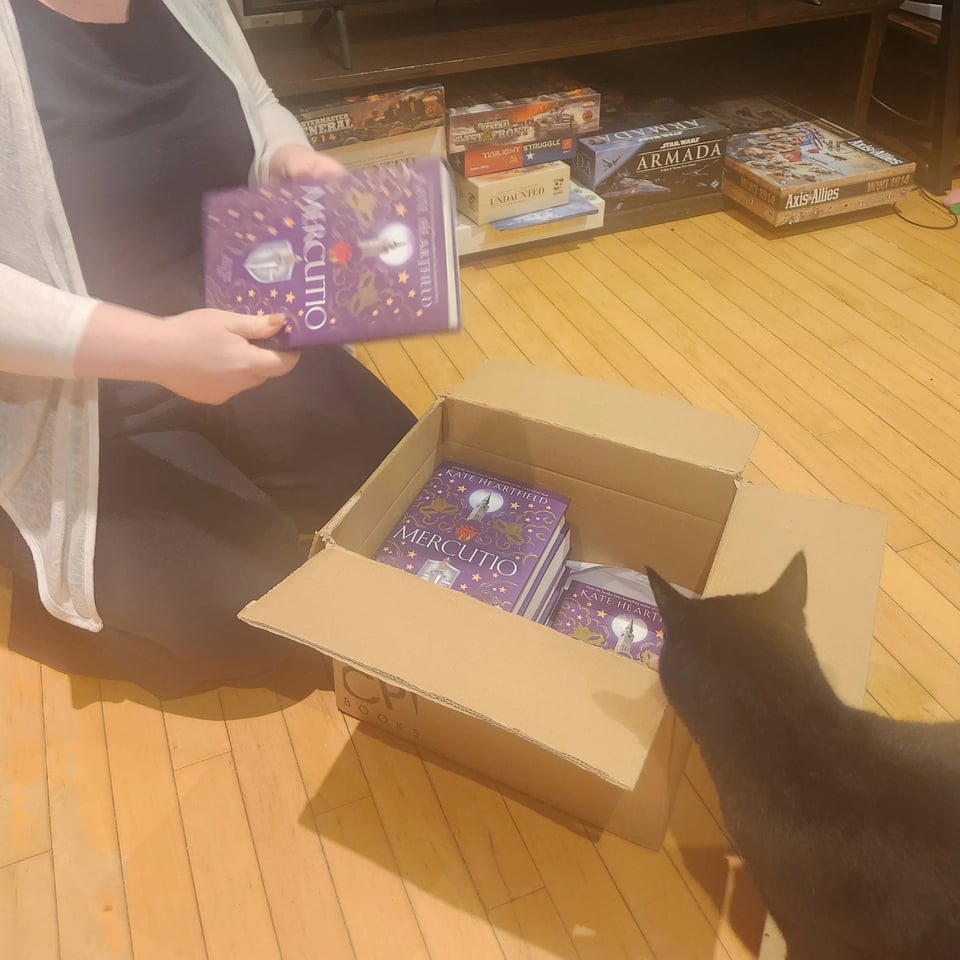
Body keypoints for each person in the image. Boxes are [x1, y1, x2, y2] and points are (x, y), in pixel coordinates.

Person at [0, 0, 418, 697]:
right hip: (75, 400)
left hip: (232, 343)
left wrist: (285, 155)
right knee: (253, 620)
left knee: (411, 501)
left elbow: (256, 98)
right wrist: (160, 351)